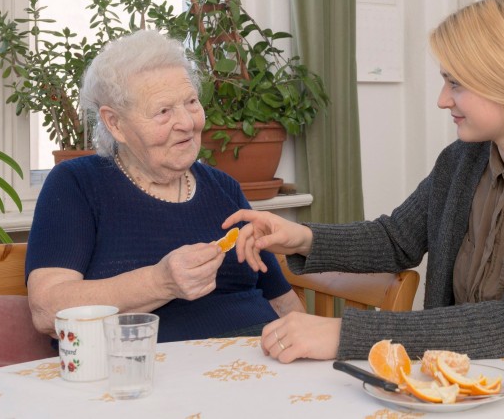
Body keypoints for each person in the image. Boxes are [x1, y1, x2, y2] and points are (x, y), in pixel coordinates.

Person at [224, 0, 504, 399]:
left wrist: (344, 334)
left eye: (455, 84)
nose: (443, 101)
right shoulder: (462, 161)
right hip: (461, 393)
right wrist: (299, 237)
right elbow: (396, 239)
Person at [26, 30, 303, 343]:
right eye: (163, 111)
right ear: (115, 123)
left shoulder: (223, 187)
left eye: (191, 102)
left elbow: (282, 300)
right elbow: (47, 309)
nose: (187, 122)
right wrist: (160, 282)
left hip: (261, 365)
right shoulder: (77, 184)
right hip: (145, 377)